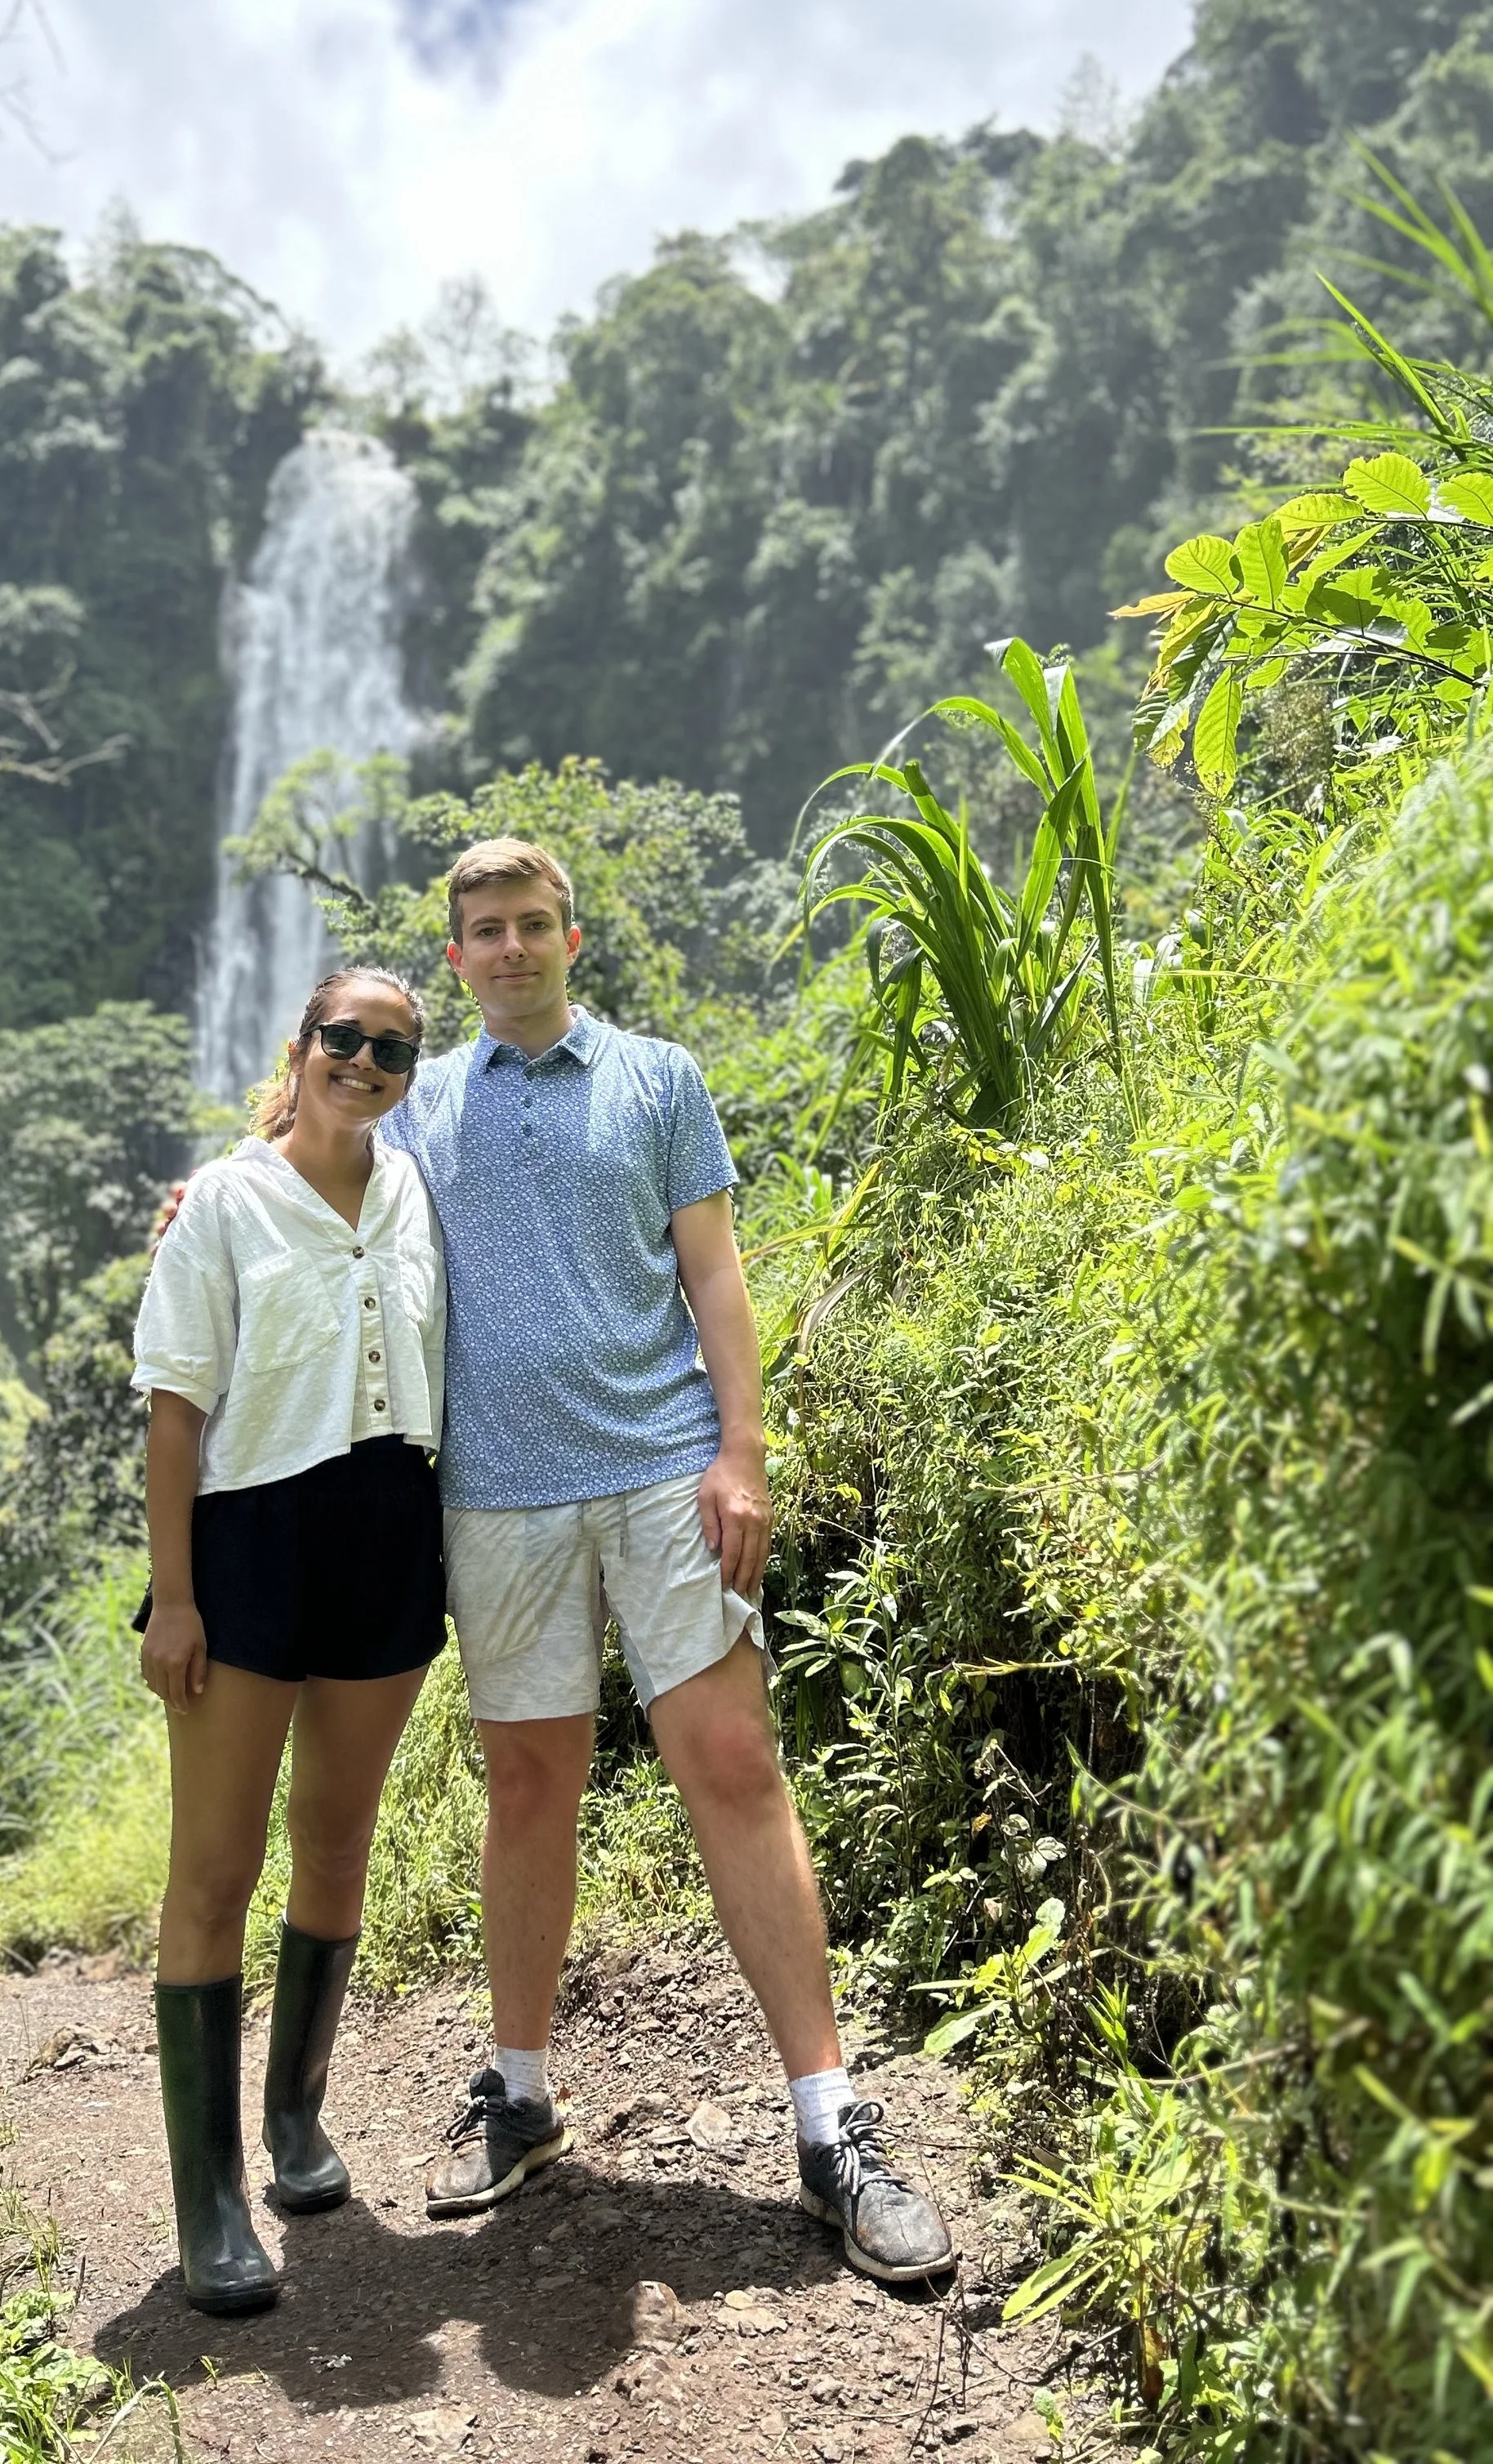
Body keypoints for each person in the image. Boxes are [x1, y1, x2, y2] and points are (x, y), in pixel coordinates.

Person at [381, 839, 956, 2286]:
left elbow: (714, 1271)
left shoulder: (658, 1080)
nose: (509, 948)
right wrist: (209, 1196)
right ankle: (518, 2094)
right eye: (483, 933)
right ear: (455, 960)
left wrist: (742, 1450)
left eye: (530, 925)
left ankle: (832, 2126)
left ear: (573, 936)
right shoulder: (422, 1105)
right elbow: (315, 1175)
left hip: (660, 1470)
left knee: (735, 1766)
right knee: (528, 1785)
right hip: (499, 1496)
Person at [131, 966, 448, 2316]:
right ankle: (206, 2199)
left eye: (391, 1049)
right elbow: (172, 1411)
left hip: (389, 1531)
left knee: (336, 1842)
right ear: (301, 1046)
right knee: (214, 1865)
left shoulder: (417, 1192)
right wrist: (178, 1595)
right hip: (250, 1545)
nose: (365, 1062)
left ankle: (294, 2122)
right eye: (345, 1039)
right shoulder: (220, 1205)